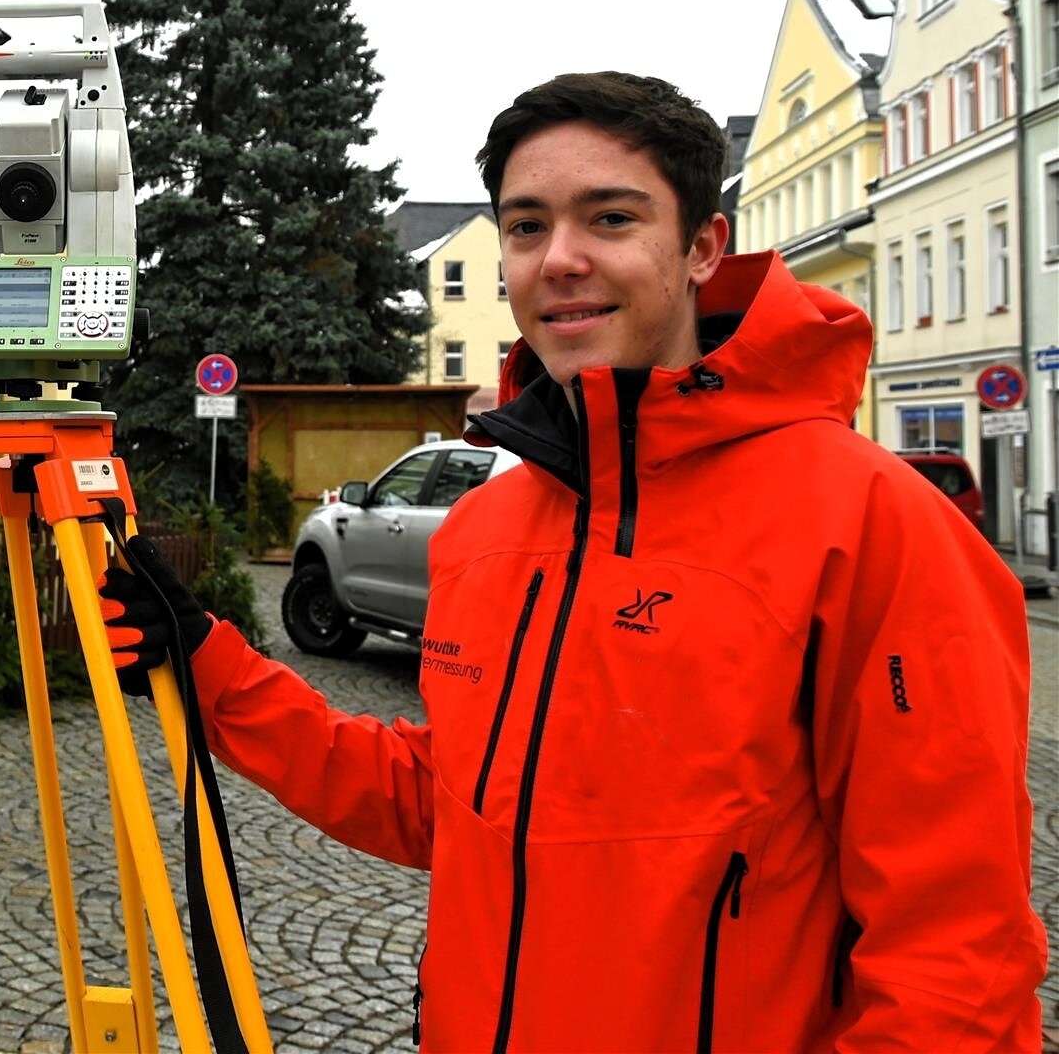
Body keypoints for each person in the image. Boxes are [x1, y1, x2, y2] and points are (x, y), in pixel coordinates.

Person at [102, 72, 1046, 1050]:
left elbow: (954, 953)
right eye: (525, 226)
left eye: (610, 218)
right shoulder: (485, 531)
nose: (559, 258)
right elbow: (442, 802)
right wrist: (212, 663)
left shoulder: (876, 526)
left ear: (700, 247)